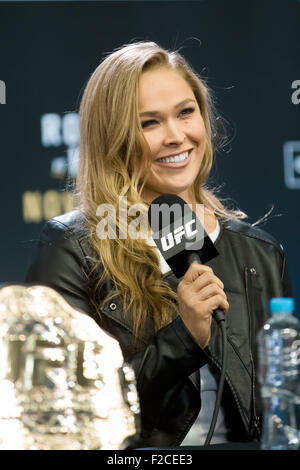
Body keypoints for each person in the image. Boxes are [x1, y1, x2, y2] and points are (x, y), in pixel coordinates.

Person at [25, 41, 292, 447]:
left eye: (186, 112)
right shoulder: (74, 248)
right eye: (149, 123)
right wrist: (183, 338)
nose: (176, 135)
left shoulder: (259, 252)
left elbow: (280, 403)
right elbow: (63, 410)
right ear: (113, 137)